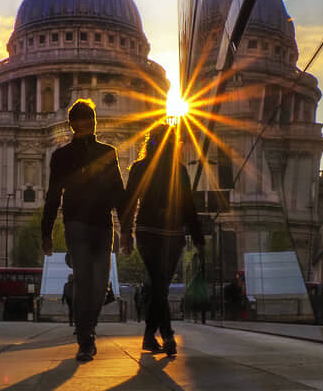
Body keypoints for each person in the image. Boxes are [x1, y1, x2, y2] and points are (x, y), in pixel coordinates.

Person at [42, 99, 125, 362]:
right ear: (72, 124)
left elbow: (118, 193)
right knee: (83, 279)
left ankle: (87, 327)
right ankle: (85, 337)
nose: (87, 122)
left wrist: (127, 227)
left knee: (100, 283)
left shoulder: (108, 152)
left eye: (90, 117)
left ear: (94, 121)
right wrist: (46, 231)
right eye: (81, 118)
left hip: (103, 223)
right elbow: (53, 195)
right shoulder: (62, 156)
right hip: (76, 222)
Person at [121, 123, 204, 356]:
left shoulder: (139, 168)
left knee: (159, 286)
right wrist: (197, 237)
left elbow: (129, 202)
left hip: (148, 232)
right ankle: (166, 335)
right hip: (172, 234)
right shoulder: (179, 170)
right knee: (160, 286)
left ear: (150, 142)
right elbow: (189, 207)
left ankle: (150, 337)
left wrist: (126, 233)